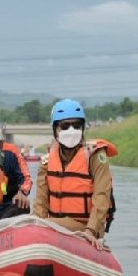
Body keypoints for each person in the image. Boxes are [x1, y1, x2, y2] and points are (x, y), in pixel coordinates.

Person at [32, 99, 118, 251]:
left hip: (86, 225)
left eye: (76, 125)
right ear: (55, 129)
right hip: (52, 224)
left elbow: (102, 195)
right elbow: (40, 203)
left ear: (83, 127)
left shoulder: (95, 155)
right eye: (65, 126)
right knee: (29, 224)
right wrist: (33, 226)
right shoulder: (47, 161)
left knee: (43, 226)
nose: (71, 130)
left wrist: (90, 230)